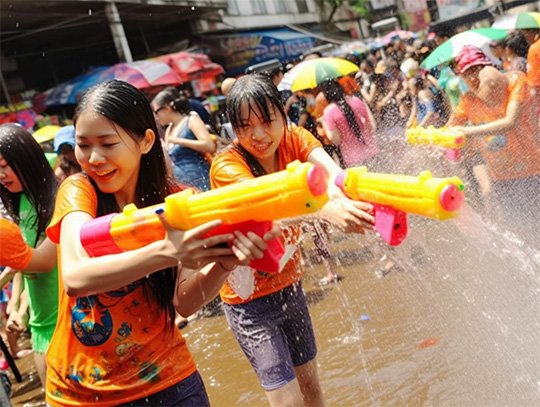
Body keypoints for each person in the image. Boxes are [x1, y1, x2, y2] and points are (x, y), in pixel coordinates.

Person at [43, 79, 280, 407]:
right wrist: (166, 251)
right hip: (83, 394)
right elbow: (76, 277)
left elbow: (183, 302)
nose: (93, 158)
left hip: (170, 380)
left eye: (108, 144)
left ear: (145, 141)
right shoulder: (78, 190)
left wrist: (225, 262)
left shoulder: (179, 200)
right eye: (84, 145)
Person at [210, 74, 374, 407]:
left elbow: (329, 172)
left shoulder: (294, 137)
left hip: (291, 285)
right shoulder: (227, 166)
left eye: (267, 120)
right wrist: (325, 212)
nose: (258, 134)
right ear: (232, 129)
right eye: (244, 126)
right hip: (249, 302)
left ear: (282, 114)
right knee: (288, 401)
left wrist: (339, 199)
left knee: (312, 388)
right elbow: (268, 208)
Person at [449, 45, 540, 234]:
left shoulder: (515, 80)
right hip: (501, 176)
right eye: (467, 73)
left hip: (532, 168)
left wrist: (468, 132)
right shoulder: (468, 100)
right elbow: (450, 128)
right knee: (519, 229)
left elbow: (510, 122)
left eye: (476, 70)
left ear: (487, 67)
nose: (473, 77)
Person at [0, 123, 60, 395]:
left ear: (26, 160)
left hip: (67, 316)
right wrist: (16, 307)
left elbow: (44, 260)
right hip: (40, 322)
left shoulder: (60, 197)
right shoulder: (21, 200)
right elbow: (27, 261)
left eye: (4, 166)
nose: (0, 175)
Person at [152, 86, 216, 191]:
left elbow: (209, 145)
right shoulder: (169, 129)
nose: (156, 117)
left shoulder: (191, 120)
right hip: (183, 186)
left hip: (201, 179)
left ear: (167, 108)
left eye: (157, 112)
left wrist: (179, 141)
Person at [318, 78, 379, 169]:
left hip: (354, 162)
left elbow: (336, 140)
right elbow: (372, 127)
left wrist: (323, 122)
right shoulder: (357, 100)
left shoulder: (329, 111)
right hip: (373, 153)